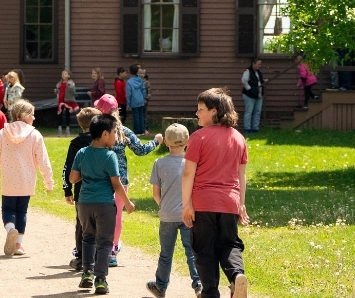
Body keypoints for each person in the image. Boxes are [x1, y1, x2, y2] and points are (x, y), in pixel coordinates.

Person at [182, 88, 251, 298]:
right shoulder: (239, 138)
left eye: (201, 109)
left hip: (203, 202)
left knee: (204, 250)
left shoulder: (198, 137)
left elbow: (187, 174)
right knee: (229, 244)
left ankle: (210, 293)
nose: (197, 113)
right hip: (230, 202)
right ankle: (236, 275)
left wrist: (186, 204)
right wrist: (240, 204)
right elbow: (242, 176)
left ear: (214, 111)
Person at [69, 114, 136, 295]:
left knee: (88, 238)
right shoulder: (109, 156)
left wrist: (88, 175)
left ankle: (87, 274)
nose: (116, 136)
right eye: (115, 132)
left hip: (84, 204)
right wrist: (128, 203)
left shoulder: (82, 153)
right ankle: (100, 279)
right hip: (104, 204)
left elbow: (73, 178)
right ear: (105, 134)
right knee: (105, 241)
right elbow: (116, 183)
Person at [94, 94, 162, 267]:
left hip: (99, 179)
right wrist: (156, 141)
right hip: (120, 180)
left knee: (98, 214)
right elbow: (140, 150)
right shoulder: (122, 131)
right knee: (116, 216)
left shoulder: (94, 132)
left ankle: (96, 248)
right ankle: (113, 250)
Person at [0, 99, 54, 256]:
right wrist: (48, 181)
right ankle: (18, 244)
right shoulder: (35, 134)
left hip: (9, 179)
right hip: (27, 180)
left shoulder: (2, 133)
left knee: (8, 209)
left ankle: (10, 229)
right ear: (23, 115)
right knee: (22, 211)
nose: (34, 118)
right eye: (32, 114)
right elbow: (43, 160)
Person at [145, 123, 203, 298]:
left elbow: (156, 193)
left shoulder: (159, 163)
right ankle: (198, 285)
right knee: (191, 252)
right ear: (187, 143)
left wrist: (164, 205)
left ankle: (161, 287)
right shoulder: (191, 163)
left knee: (166, 254)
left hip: (167, 215)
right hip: (188, 214)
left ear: (166, 143)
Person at [64, 107, 102, 271]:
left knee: (82, 225)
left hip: (82, 193)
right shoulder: (104, 142)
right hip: (103, 193)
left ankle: (81, 257)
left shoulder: (76, 144)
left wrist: (67, 190)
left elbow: (68, 168)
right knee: (100, 225)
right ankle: (99, 257)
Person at [239, 58, 266, 134]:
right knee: (249, 111)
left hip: (259, 95)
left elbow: (259, 81)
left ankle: (255, 128)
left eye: (260, 64)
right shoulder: (247, 71)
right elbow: (244, 81)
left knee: (257, 112)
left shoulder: (259, 72)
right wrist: (250, 89)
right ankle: (247, 129)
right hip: (249, 95)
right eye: (258, 64)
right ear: (253, 64)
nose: (259, 66)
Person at [55, 70, 80, 136]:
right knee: (60, 114)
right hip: (61, 100)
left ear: (68, 75)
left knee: (67, 114)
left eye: (65, 74)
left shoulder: (71, 83)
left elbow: (73, 91)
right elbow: (58, 90)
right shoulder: (59, 83)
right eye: (62, 74)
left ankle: (67, 129)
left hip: (68, 100)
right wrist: (56, 91)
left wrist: (69, 86)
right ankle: (59, 129)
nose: (63, 75)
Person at [126, 64, 149, 134]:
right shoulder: (140, 80)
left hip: (134, 101)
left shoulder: (129, 82)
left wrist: (128, 104)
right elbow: (143, 90)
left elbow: (128, 94)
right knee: (141, 116)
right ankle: (142, 130)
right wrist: (143, 97)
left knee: (136, 116)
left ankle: (137, 131)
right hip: (141, 100)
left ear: (130, 71)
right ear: (137, 71)